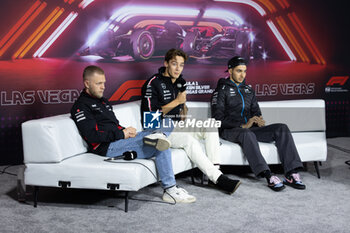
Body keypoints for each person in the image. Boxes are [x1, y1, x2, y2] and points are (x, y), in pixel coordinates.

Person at [71, 65, 196, 203]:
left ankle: (158, 134)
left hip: (118, 140)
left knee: (167, 122)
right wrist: (121, 134)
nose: (103, 87)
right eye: (99, 83)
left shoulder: (103, 102)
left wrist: (126, 130)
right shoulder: (80, 106)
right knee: (161, 145)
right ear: (87, 83)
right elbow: (92, 136)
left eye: (104, 83)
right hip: (107, 147)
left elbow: (112, 125)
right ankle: (170, 190)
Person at [141, 48, 241, 194]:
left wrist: (183, 108)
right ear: (166, 63)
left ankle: (213, 173)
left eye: (181, 65)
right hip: (159, 129)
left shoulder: (180, 81)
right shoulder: (152, 83)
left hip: (176, 124)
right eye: (174, 64)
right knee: (189, 140)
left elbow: (181, 107)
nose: (178, 68)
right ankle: (219, 179)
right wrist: (177, 102)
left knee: (210, 125)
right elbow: (149, 120)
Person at [211, 56, 306, 191]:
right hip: (231, 130)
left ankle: (291, 173)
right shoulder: (221, 90)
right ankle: (268, 175)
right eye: (239, 71)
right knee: (246, 133)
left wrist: (258, 119)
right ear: (230, 70)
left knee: (281, 128)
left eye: (244, 71)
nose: (242, 75)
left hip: (250, 129)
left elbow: (256, 111)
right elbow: (217, 119)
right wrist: (243, 125)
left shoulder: (249, 90)